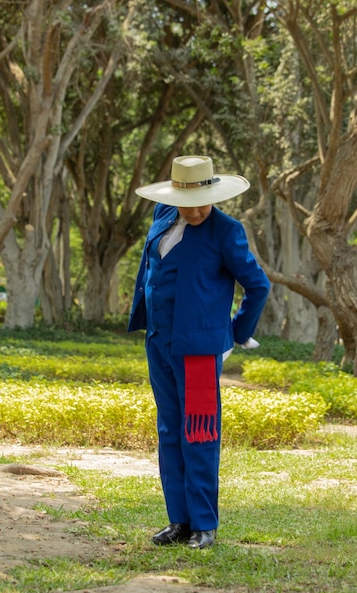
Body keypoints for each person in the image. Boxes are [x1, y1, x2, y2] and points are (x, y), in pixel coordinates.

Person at [128, 155, 270, 549]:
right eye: (184, 202)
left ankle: (204, 525)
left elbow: (258, 286)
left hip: (199, 350)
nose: (193, 211)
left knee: (199, 433)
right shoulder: (162, 215)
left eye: (200, 203)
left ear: (213, 193)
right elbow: (150, 270)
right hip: (158, 342)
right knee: (169, 430)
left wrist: (235, 334)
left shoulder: (226, 231)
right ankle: (179, 521)